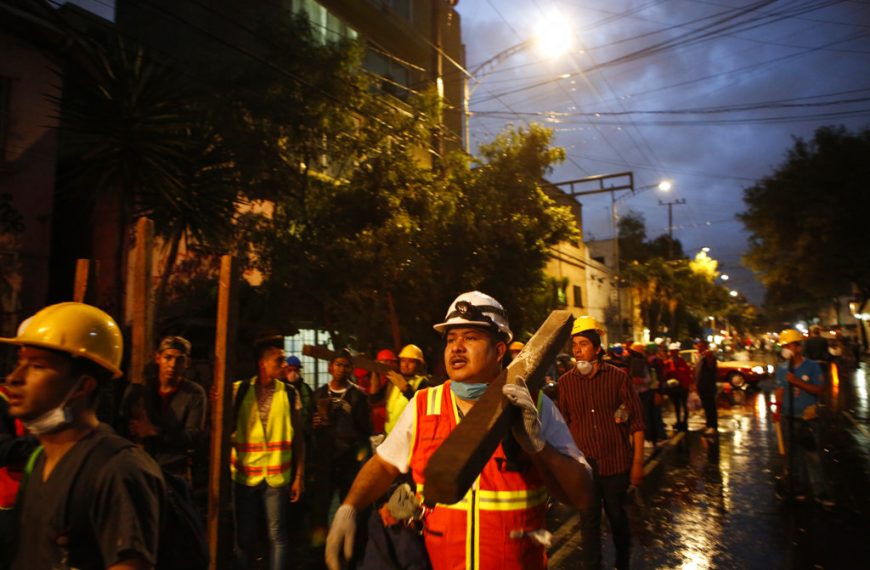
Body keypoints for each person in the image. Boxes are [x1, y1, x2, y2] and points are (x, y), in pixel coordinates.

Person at [325, 291, 593, 570]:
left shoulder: (535, 406)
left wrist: (538, 446)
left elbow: (582, 495)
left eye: (470, 338)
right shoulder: (424, 405)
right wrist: (349, 508)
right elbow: (384, 465)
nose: (456, 347)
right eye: (451, 339)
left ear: (500, 351)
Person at [2, 302, 165, 569]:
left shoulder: (117, 470)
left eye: (38, 366)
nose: (15, 377)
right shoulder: (41, 460)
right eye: (20, 362)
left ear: (82, 386)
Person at [557, 315, 645, 570]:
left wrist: (637, 463)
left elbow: (637, 422)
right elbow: (561, 425)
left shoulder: (618, 377)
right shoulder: (566, 383)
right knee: (589, 522)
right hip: (584, 468)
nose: (577, 350)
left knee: (618, 519)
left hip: (616, 463)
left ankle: (622, 563)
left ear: (597, 348)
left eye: (583, 344)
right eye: (574, 345)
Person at [232, 338, 305, 570]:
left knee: (277, 537)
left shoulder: (291, 394)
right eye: (279, 360)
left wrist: (299, 477)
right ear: (262, 363)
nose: (284, 364)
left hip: (277, 478)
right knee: (244, 537)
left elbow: (299, 439)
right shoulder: (239, 390)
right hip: (245, 476)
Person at [308, 349, 372, 551]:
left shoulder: (357, 396)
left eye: (346, 365)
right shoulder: (318, 394)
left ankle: (350, 551)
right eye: (338, 364)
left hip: (348, 461)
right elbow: (305, 428)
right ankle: (319, 552)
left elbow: (366, 431)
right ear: (330, 367)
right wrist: (313, 423)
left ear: (351, 368)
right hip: (324, 460)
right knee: (320, 508)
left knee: (349, 507)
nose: (341, 369)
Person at [119, 335, 207, 480]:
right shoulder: (141, 391)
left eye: (179, 360)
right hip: (141, 466)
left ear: (187, 363)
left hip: (174, 471)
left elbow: (193, 436)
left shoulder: (194, 393)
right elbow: (123, 426)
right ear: (158, 358)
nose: (172, 365)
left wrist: (154, 431)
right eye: (168, 357)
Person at [772, 328, 833, 506]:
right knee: (791, 456)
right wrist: (777, 410)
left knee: (812, 456)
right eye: (783, 346)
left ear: (798, 347)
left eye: (788, 345)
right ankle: (796, 487)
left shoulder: (812, 366)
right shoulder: (782, 369)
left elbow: (820, 390)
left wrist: (797, 382)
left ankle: (820, 492)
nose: (785, 349)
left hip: (807, 418)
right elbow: (780, 391)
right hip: (787, 417)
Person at [381, 344, 430, 434]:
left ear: (419, 364)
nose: (406, 365)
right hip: (389, 434)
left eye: (411, 362)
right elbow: (375, 399)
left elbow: (422, 408)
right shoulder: (394, 380)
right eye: (403, 361)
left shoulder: (423, 383)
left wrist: (406, 389)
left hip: (407, 436)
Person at [663, 343, 693, 431]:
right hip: (675, 388)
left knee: (683, 405)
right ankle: (679, 422)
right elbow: (666, 373)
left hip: (683, 387)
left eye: (675, 351)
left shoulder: (681, 362)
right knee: (677, 405)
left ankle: (684, 422)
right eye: (672, 352)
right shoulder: (669, 362)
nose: (674, 353)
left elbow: (686, 373)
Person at [694, 340, 718, 435]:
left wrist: (709, 357)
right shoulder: (699, 357)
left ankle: (713, 426)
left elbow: (711, 367)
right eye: (698, 346)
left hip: (708, 386)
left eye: (701, 346)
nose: (699, 348)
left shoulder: (709, 356)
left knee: (710, 406)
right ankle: (709, 424)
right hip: (701, 386)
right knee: (706, 406)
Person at [285, 355, 313, 427]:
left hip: (304, 429)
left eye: (296, 370)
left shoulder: (306, 388)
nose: (293, 373)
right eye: (290, 370)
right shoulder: (281, 388)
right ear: (285, 371)